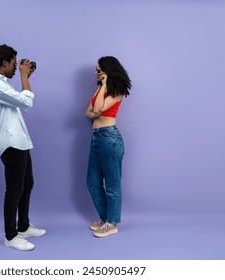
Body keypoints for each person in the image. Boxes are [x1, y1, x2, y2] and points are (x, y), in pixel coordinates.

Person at [0, 44, 45, 251]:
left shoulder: (3, 84)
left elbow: (19, 104)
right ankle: (10, 236)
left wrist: (24, 77)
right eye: (13, 63)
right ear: (4, 63)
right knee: (14, 190)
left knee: (27, 184)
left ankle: (23, 226)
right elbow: (26, 102)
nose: (16, 67)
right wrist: (25, 77)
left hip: (20, 140)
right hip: (10, 143)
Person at [85, 56, 132, 238]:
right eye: (96, 70)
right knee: (92, 181)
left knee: (112, 184)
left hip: (110, 138)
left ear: (108, 72)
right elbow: (88, 112)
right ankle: (105, 219)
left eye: (100, 71)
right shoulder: (99, 90)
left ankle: (112, 223)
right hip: (97, 137)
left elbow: (96, 111)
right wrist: (100, 90)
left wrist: (104, 86)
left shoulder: (116, 91)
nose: (96, 74)